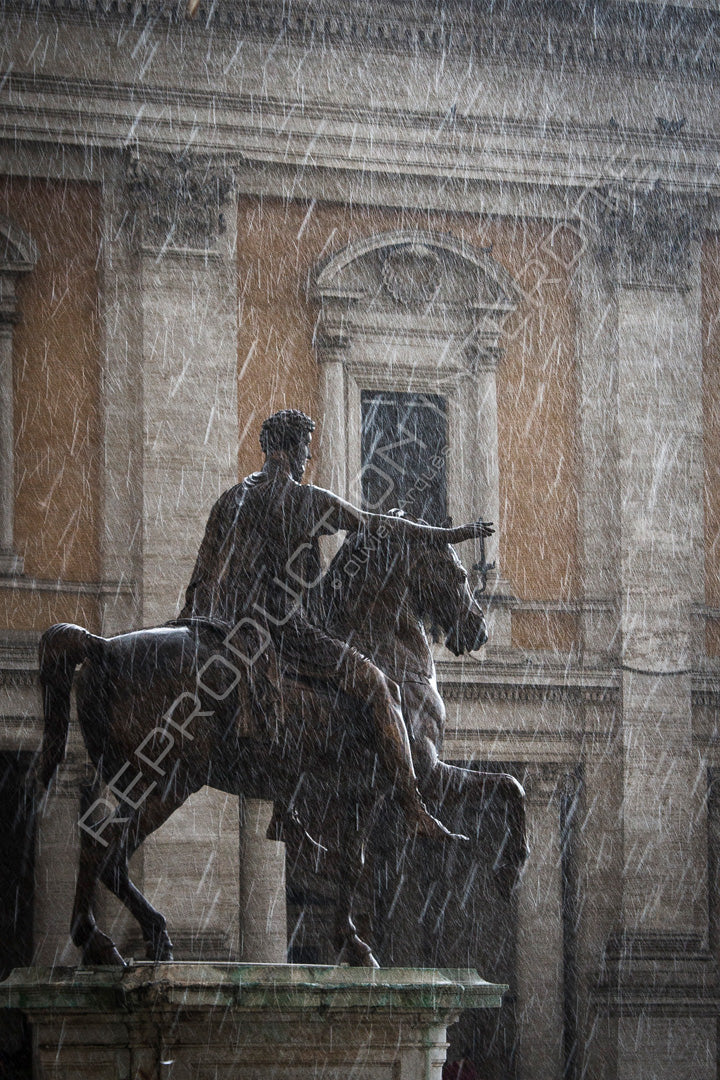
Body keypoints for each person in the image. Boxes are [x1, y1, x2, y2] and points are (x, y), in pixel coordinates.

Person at [180, 409, 492, 840]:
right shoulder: (307, 500)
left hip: (229, 628)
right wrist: (450, 535)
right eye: (305, 450)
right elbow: (379, 526)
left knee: (304, 706)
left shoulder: (232, 498)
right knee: (378, 686)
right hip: (287, 631)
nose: (308, 458)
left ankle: (286, 805)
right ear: (289, 451)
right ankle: (413, 809)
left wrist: (192, 621)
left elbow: (204, 568)